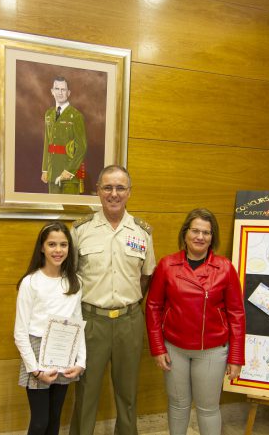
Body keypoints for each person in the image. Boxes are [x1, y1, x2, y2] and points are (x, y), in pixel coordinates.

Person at [69, 165, 156, 435]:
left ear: (129, 192)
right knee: (86, 393)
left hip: (129, 322)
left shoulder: (142, 232)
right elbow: (69, 276)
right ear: (98, 191)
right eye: (107, 187)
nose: (114, 194)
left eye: (120, 188)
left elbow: (146, 277)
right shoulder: (81, 230)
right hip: (91, 322)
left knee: (128, 394)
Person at [145, 208, 246, 435]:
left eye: (206, 233)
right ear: (185, 233)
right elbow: (153, 308)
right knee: (178, 405)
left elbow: (237, 315)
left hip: (212, 351)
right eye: (195, 231)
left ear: (213, 237)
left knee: (208, 409)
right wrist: (157, 348)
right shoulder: (166, 265)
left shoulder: (225, 268)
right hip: (174, 349)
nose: (200, 237)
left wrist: (236, 356)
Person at [14, 221, 86, 435]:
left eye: (63, 245)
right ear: (42, 248)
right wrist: (35, 369)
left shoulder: (75, 282)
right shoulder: (30, 282)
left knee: (55, 419)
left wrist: (80, 362)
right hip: (36, 355)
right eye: (52, 244)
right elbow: (20, 332)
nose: (58, 250)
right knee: (40, 421)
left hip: (64, 352)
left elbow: (77, 324)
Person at [41, 77, 87, 194]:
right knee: (53, 210)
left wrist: (69, 170)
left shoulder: (76, 116)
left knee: (69, 210)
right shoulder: (49, 114)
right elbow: (47, 143)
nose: (60, 93)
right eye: (57, 89)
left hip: (70, 176)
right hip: (53, 173)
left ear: (68, 93)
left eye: (63, 89)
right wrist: (45, 169)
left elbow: (81, 147)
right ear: (52, 91)